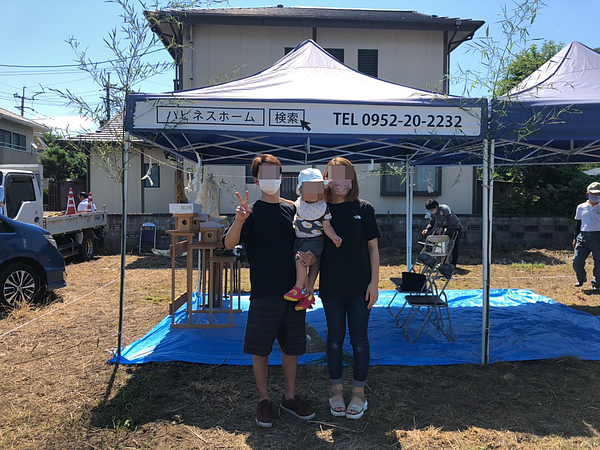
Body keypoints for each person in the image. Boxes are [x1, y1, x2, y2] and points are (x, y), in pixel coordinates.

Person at [224, 154, 316, 428]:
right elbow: (229, 244)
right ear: (256, 180)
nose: (270, 179)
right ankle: (264, 400)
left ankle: (289, 397)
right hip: (263, 292)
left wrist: (309, 260)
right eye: (264, 174)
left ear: (281, 177)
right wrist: (239, 220)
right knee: (260, 349)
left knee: (292, 348)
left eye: (275, 173)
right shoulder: (250, 213)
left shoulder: (294, 211)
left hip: (294, 292)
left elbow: (305, 245)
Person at [309, 157, 380, 420]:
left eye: (347, 177)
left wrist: (374, 283)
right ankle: (336, 390)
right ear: (326, 179)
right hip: (331, 287)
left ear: (354, 180)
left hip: (361, 287)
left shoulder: (365, 208)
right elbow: (316, 252)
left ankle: (359, 393)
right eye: (336, 177)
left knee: (359, 340)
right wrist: (309, 285)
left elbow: (373, 249)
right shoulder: (319, 210)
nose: (342, 183)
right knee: (334, 339)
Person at [282, 168, 342, 311]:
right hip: (300, 241)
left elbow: (327, 226)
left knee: (300, 260)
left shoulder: (323, 207)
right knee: (299, 262)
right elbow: (291, 203)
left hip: (315, 240)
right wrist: (278, 199)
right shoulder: (299, 204)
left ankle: (298, 289)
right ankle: (308, 296)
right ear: (301, 191)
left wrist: (334, 236)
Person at [572, 181, 600, 289]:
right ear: (588, 194)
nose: (596, 196)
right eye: (594, 194)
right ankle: (581, 278)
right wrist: (575, 237)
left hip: (598, 236)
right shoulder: (581, 207)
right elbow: (578, 223)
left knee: (599, 261)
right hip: (583, 236)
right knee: (577, 260)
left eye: (598, 194)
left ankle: (597, 283)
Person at [421, 199, 462, 266]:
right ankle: (444, 262)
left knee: (454, 246)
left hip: (456, 227)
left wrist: (442, 228)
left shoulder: (444, 208)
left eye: (432, 210)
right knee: (443, 246)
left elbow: (450, 218)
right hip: (447, 228)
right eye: (430, 210)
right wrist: (427, 229)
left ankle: (453, 263)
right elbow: (432, 222)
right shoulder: (433, 213)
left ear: (436, 206)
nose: (431, 211)